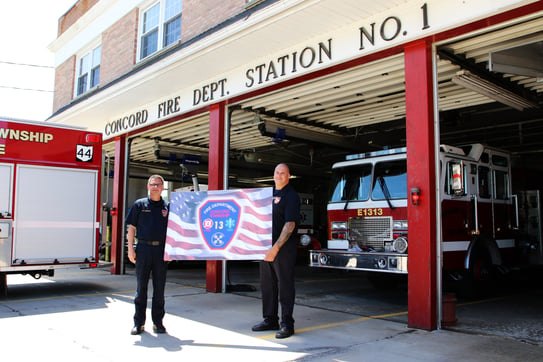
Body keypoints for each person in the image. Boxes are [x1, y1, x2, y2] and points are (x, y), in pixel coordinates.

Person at [252, 163, 300, 339]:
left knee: (285, 285)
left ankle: (287, 324)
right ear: (273, 175)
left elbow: (290, 224)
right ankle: (270, 319)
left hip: (283, 248)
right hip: (265, 247)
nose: (279, 175)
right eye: (277, 172)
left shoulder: (291, 196)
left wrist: (275, 248)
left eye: (283, 173)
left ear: (288, 176)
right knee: (267, 285)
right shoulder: (267, 194)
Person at [126, 175, 170, 335]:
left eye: (158, 184)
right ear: (148, 186)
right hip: (143, 250)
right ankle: (139, 323)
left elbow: (174, 231)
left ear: (163, 187)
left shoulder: (168, 207)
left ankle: (158, 323)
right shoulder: (139, 205)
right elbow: (131, 228)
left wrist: (171, 251)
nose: (155, 187)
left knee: (159, 289)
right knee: (141, 289)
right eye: (153, 184)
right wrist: (130, 249)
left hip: (161, 252)